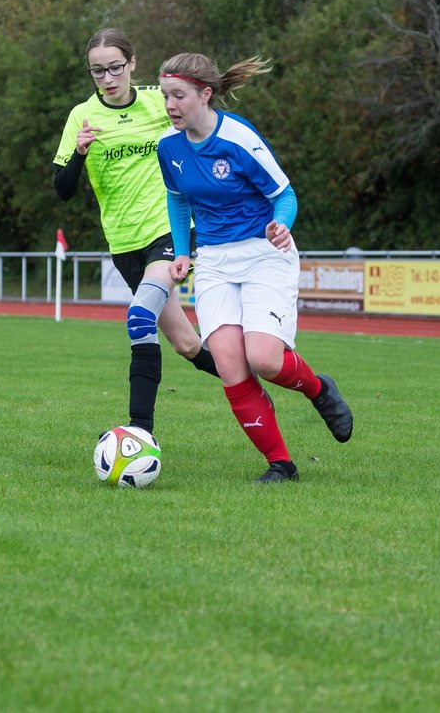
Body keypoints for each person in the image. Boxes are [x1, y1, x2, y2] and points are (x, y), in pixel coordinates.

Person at [157, 52, 353, 484]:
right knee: (229, 364)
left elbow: (285, 194)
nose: (170, 105)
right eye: (166, 96)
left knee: (263, 358)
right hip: (214, 261)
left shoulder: (238, 137)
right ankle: (281, 464)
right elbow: (178, 198)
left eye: (178, 96)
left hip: (265, 253)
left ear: (205, 94)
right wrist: (184, 249)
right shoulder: (167, 147)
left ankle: (319, 389)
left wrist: (281, 225)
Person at [52, 28, 218, 435]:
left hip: (171, 230)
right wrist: (79, 153)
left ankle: (139, 431)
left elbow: (202, 126)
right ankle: (253, 378)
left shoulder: (157, 103)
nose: (108, 79)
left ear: (132, 63)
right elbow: (63, 190)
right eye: (97, 72)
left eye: (115, 68)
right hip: (125, 245)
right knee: (186, 344)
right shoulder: (81, 117)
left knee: (140, 316)